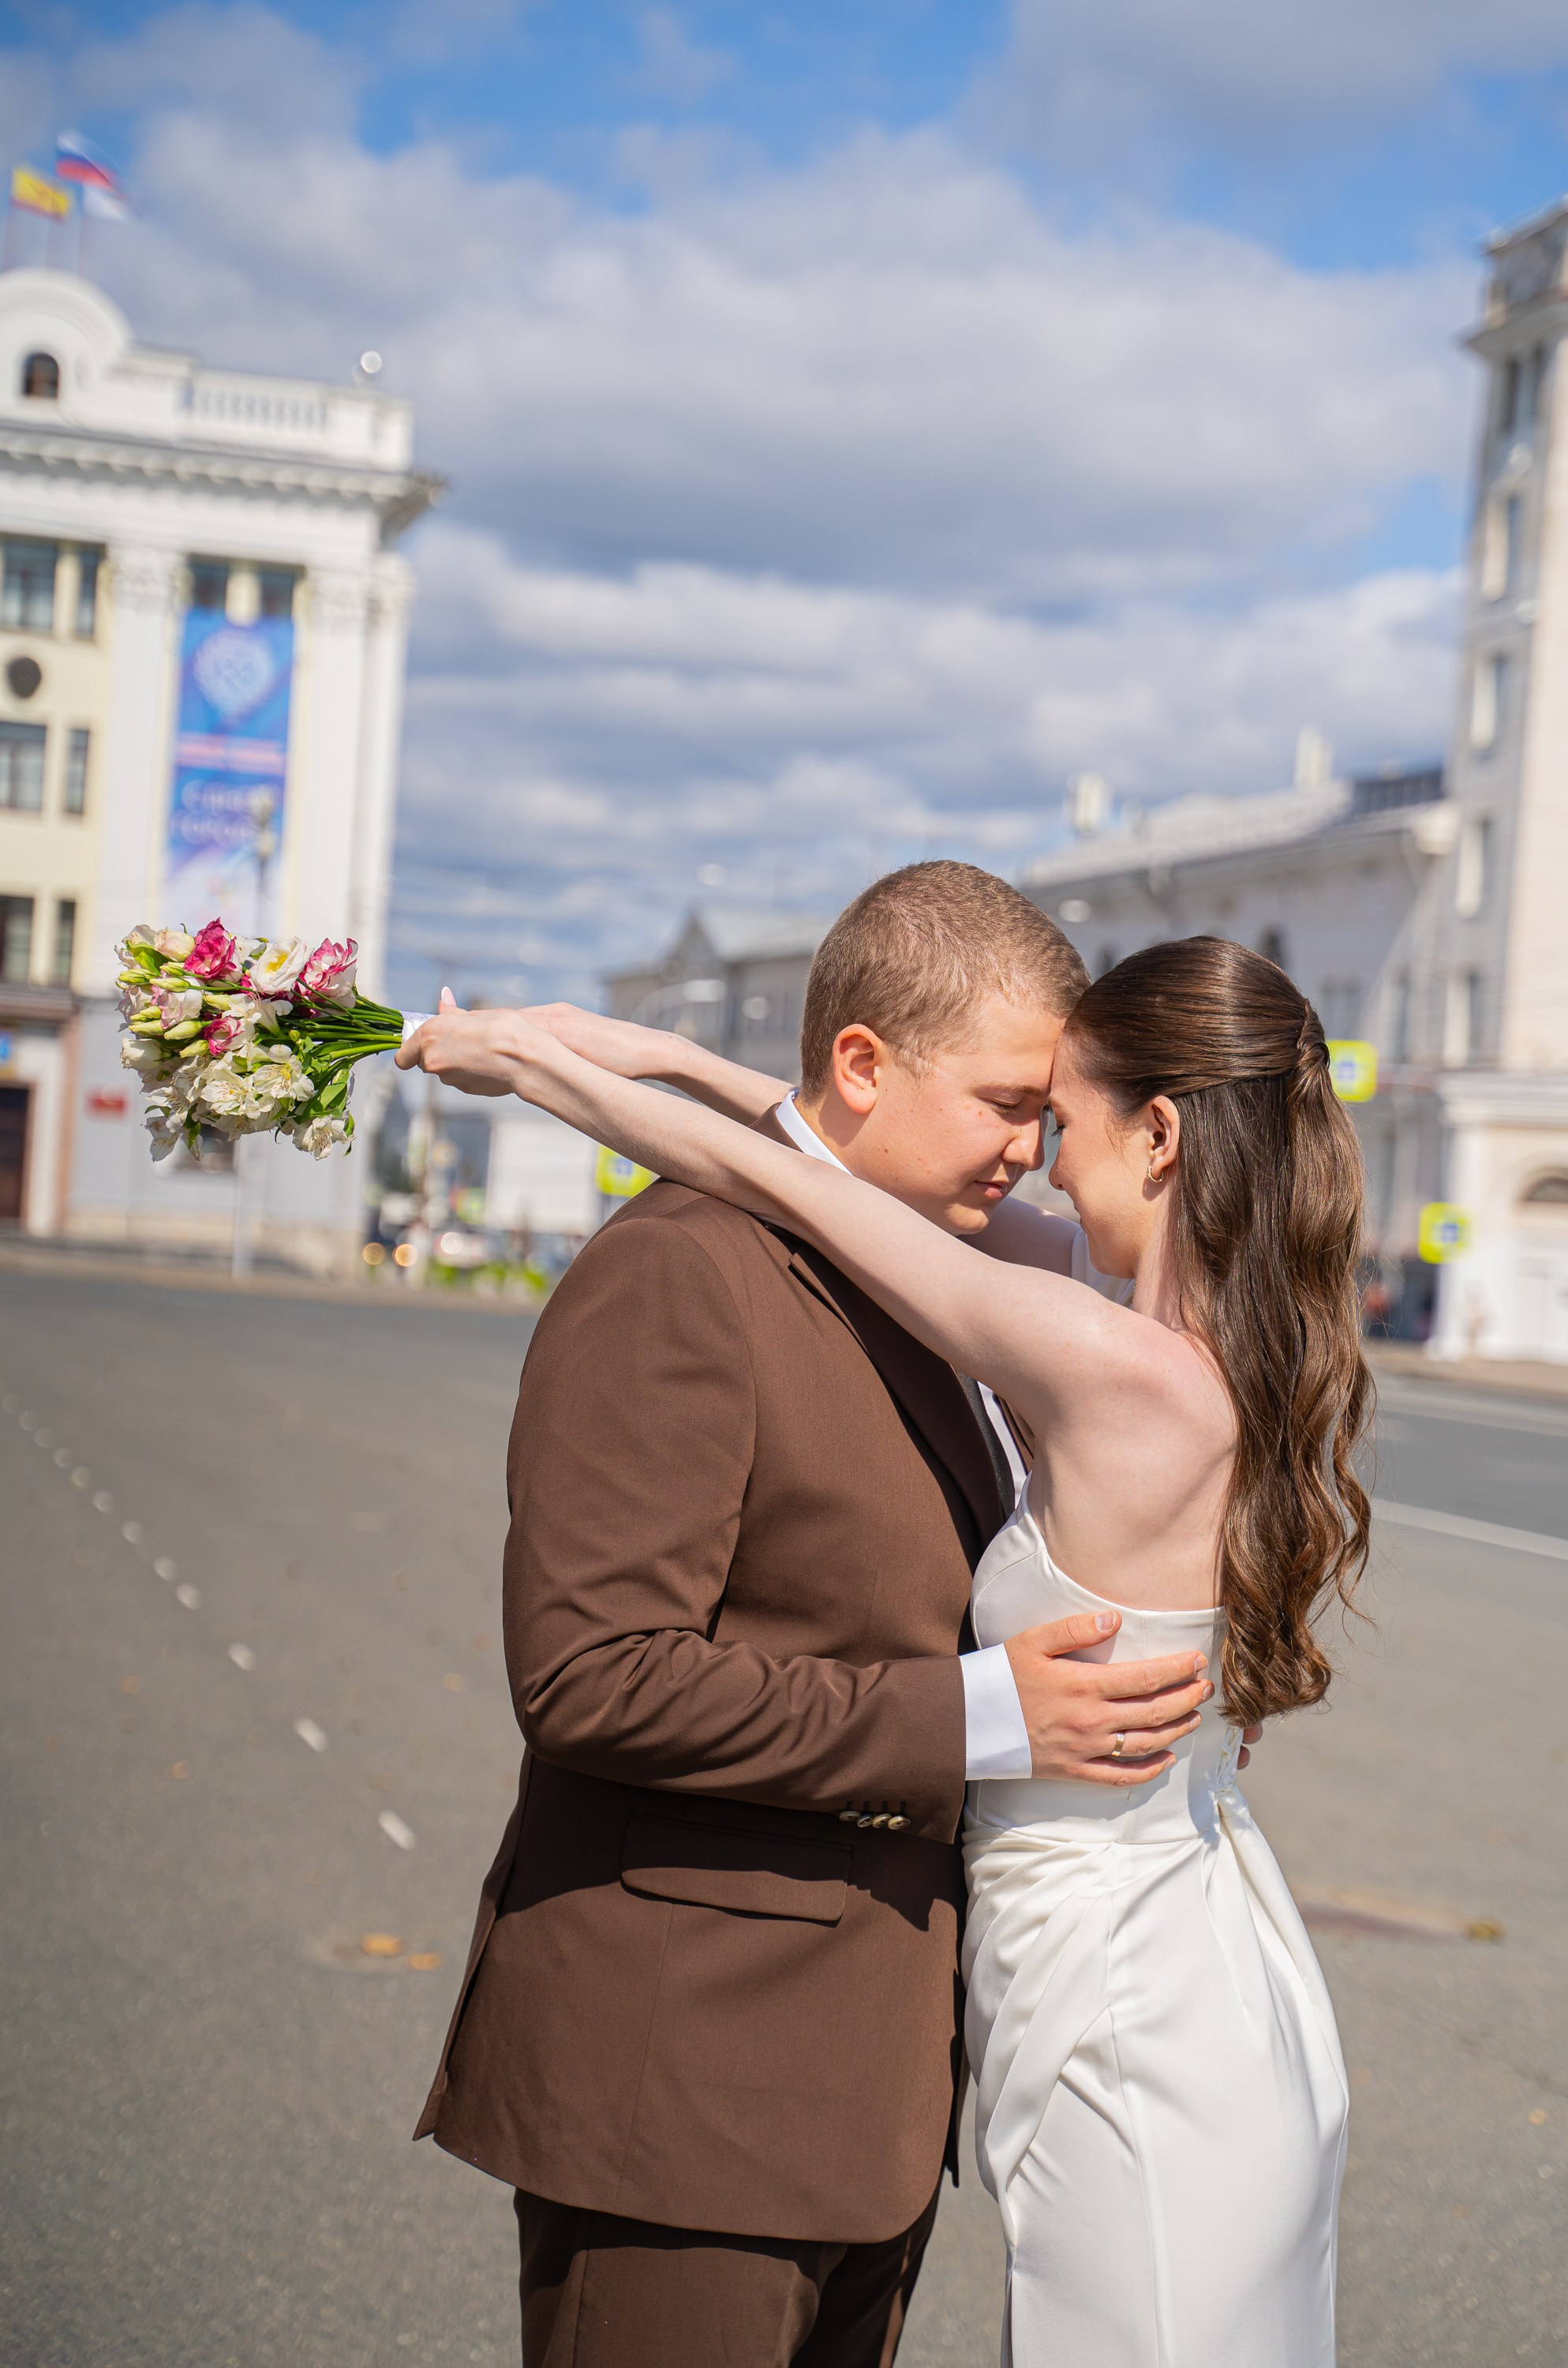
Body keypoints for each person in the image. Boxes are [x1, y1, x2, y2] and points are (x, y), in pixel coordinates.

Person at [402, 922, 1368, 2368]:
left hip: (1119, 1969)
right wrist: (661, 1051)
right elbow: (832, 1145)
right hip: (1184, 1930)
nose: (1040, 1157)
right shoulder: (1208, 1333)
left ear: (1159, 1134)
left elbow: (785, 1178)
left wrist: (530, 1061)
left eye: (1063, 1117)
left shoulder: (1111, 1365)